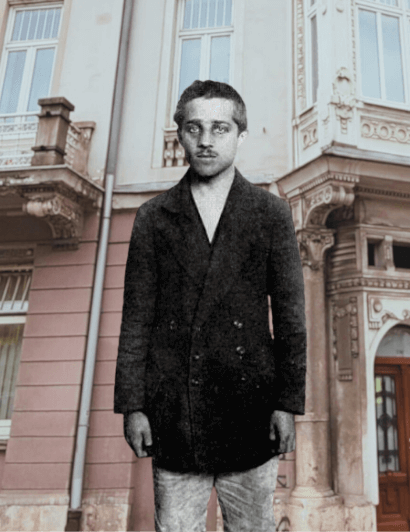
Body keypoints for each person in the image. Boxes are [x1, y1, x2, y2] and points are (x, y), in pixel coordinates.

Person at [114, 80, 306, 531]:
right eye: (194, 128)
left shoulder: (270, 214)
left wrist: (287, 403)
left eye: (219, 128)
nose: (205, 140)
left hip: (251, 412)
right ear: (178, 134)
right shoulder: (154, 218)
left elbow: (292, 319)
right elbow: (136, 319)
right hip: (176, 415)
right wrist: (133, 406)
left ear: (240, 135)